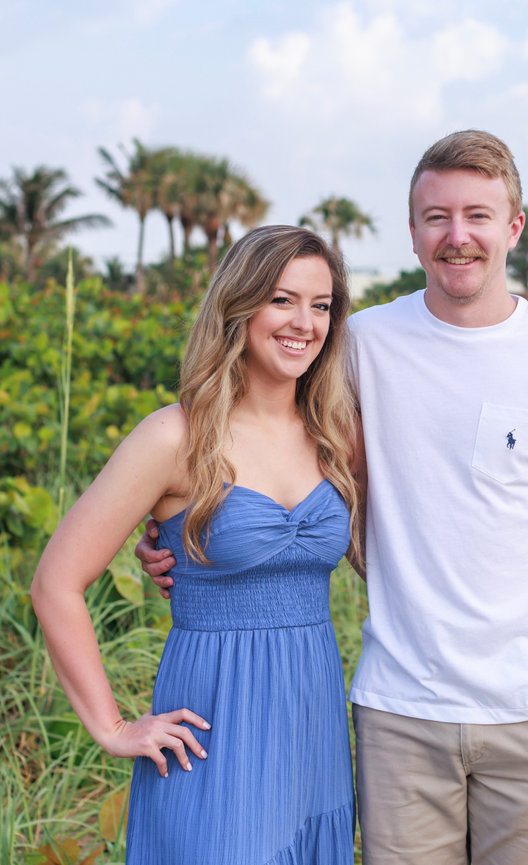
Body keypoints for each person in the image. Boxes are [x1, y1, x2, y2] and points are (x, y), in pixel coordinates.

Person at [140, 131, 528, 865]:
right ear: (412, 231)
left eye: (477, 215)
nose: (457, 235)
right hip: (399, 714)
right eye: (437, 216)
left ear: (513, 227)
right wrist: (173, 530)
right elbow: (257, 446)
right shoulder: (355, 345)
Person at [32, 225, 361, 865]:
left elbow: (389, 552)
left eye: (320, 305)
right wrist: (112, 727)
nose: (305, 323)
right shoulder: (175, 437)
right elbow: (55, 583)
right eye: (282, 299)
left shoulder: (334, 434)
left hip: (311, 726)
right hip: (214, 727)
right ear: (240, 305)